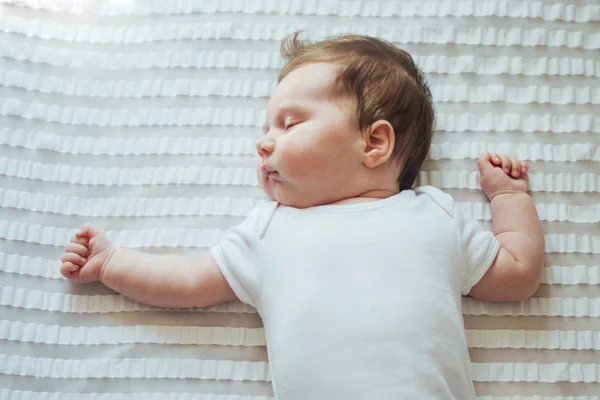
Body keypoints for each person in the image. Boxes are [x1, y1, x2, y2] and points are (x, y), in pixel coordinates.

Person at [61, 33, 545, 399]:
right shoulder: (268, 230)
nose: (263, 141)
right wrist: (112, 263)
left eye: (289, 123)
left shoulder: (433, 217)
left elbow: (518, 274)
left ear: (374, 143)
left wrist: (508, 197)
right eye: (266, 127)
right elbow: (188, 280)